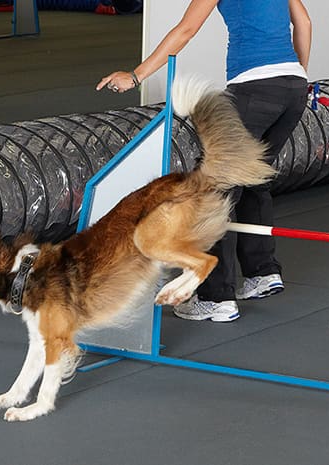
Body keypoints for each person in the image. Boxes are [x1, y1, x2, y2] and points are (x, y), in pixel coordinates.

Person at [98, 0, 312, 322]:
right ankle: (262, 273)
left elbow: (186, 29)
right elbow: (305, 23)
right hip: (293, 88)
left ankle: (216, 297)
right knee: (253, 177)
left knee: (213, 189)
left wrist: (136, 75)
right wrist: (297, 76)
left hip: (254, 88)